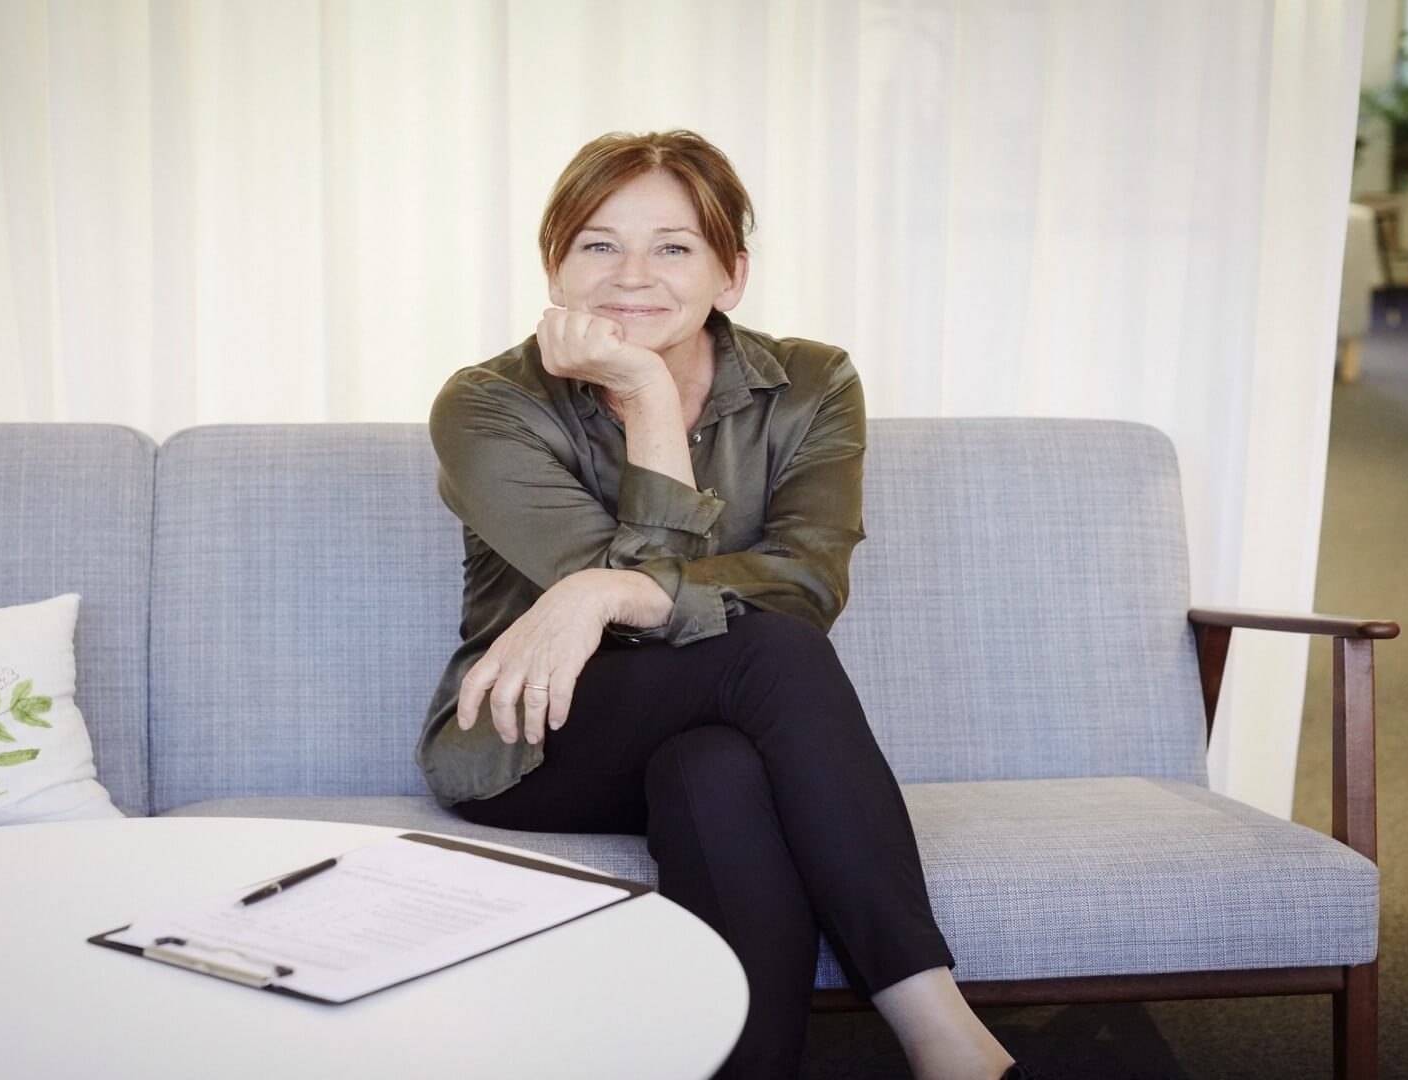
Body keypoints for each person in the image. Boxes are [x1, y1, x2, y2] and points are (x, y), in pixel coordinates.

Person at [415, 130, 1033, 1080]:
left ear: (730, 273)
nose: (631, 276)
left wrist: (614, 583)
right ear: (555, 265)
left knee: (720, 769)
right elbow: (659, 619)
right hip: (535, 732)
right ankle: (944, 1036)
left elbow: (809, 582)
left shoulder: (813, 384)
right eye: (597, 244)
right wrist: (648, 396)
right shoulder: (488, 403)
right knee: (771, 654)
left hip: (723, 722)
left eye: (672, 246)